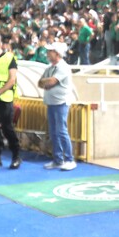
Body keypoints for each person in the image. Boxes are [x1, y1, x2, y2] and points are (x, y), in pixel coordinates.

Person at [37, 42, 77, 171]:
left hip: (61, 103)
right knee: (54, 132)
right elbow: (40, 82)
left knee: (61, 131)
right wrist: (47, 82)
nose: (48, 54)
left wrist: (47, 82)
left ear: (57, 53)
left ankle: (69, 159)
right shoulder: (50, 68)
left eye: (51, 51)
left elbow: (51, 82)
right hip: (52, 103)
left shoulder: (63, 67)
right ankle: (58, 159)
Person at [0, 34, 21, 169]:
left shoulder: (9, 58)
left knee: (7, 127)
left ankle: (16, 155)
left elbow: (12, 80)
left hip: (5, 98)